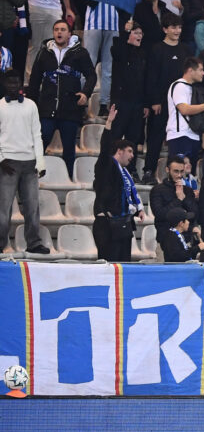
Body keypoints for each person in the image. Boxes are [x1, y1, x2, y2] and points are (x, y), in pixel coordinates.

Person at [28, 19, 96, 180]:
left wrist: (85, 93)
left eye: (63, 29)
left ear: (69, 33)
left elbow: (92, 75)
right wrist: (31, 104)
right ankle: (31, 179)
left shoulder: (80, 52)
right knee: (39, 147)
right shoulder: (44, 51)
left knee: (69, 151)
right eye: (56, 29)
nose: (59, 32)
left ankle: (69, 178)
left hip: (70, 110)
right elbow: (35, 79)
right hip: (46, 109)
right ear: (53, 33)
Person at [0, 74, 47, 255]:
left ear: (21, 84)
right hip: (8, 162)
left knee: (32, 206)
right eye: (10, 82)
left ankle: (34, 243)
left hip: (30, 163)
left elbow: (37, 134)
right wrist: (1, 159)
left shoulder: (31, 105)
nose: (13, 85)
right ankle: (1, 242)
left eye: (16, 81)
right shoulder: (0, 105)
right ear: (4, 84)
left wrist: (41, 162)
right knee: (3, 208)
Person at [93, 138, 144, 262]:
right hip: (108, 224)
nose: (132, 155)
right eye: (129, 151)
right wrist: (109, 125)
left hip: (123, 224)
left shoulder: (124, 172)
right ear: (119, 151)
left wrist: (138, 209)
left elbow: (123, 194)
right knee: (110, 264)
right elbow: (104, 150)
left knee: (124, 264)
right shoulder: (107, 165)